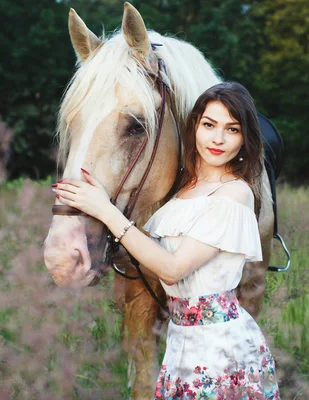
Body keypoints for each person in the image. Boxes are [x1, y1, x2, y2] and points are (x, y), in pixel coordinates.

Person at [53, 82, 280, 399]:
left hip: (218, 345)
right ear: (195, 126)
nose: (218, 139)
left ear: (245, 139)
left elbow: (173, 269)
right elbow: (149, 255)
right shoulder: (184, 192)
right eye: (209, 125)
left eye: (232, 129)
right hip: (182, 337)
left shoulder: (234, 193)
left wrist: (105, 211)